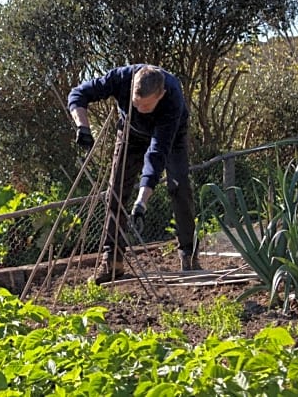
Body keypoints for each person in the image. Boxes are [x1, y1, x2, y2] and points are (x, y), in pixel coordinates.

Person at [67, 64, 200, 283]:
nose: (140, 109)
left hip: (172, 136)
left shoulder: (172, 99)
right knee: (116, 191)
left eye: (147, 106)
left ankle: (188, 254)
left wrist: (141, 202)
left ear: (161, 95)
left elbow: (156, 153)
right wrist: (82, 127)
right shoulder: (121, 78)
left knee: (179, 187)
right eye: (137, 104)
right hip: (130, 131)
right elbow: (78, 94)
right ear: (132, 90)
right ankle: (112, 261)